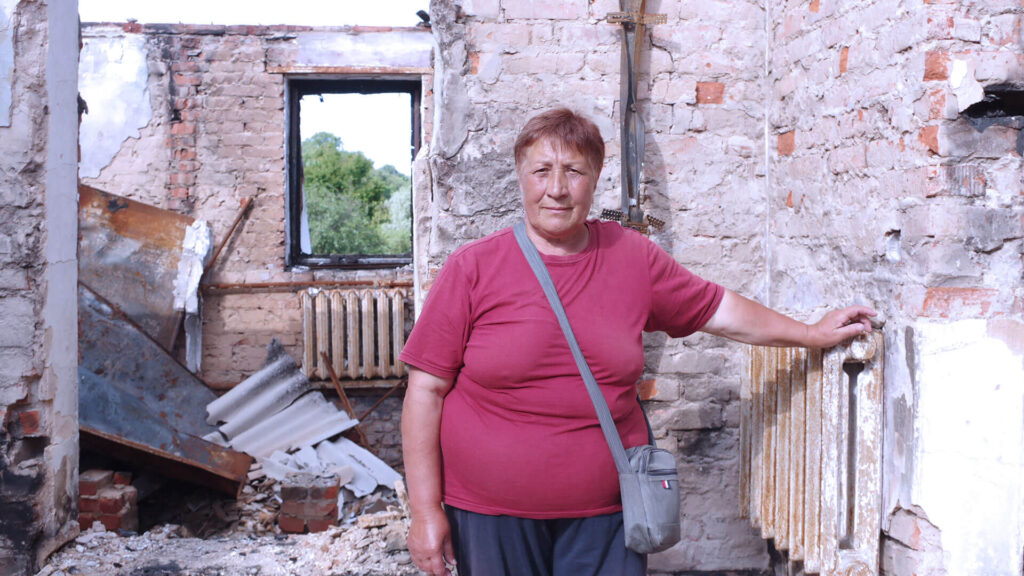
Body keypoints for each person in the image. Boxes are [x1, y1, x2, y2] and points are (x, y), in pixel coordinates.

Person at [399, 108, 875, 576]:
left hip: (606, 515)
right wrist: (425, 512)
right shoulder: (473, 268)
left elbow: (719, 310)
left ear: (596, 177)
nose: (557, 189)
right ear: (522, 177)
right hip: (490, 516)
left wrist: (810, 333)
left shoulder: (630, 257)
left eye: (574, 171)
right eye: (541, 171)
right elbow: (425, 392)